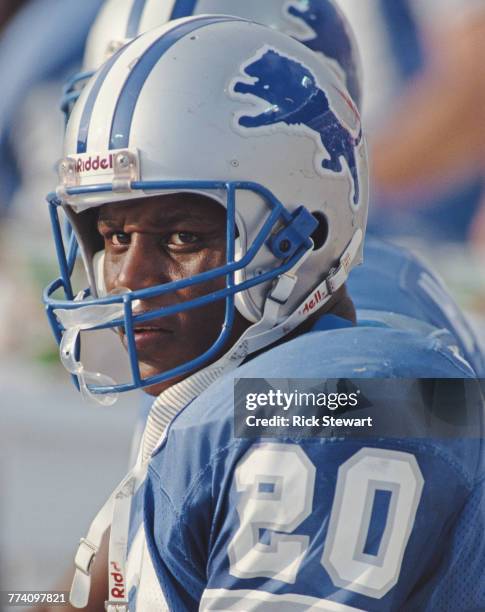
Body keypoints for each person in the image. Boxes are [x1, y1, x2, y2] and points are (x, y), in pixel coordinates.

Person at [42, 16, 485, 611]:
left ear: (305, 234)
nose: (128, 281)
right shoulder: (227, 383)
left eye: (179, 237)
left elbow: (380, 409)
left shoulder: (324, 401)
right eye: (114, 237)